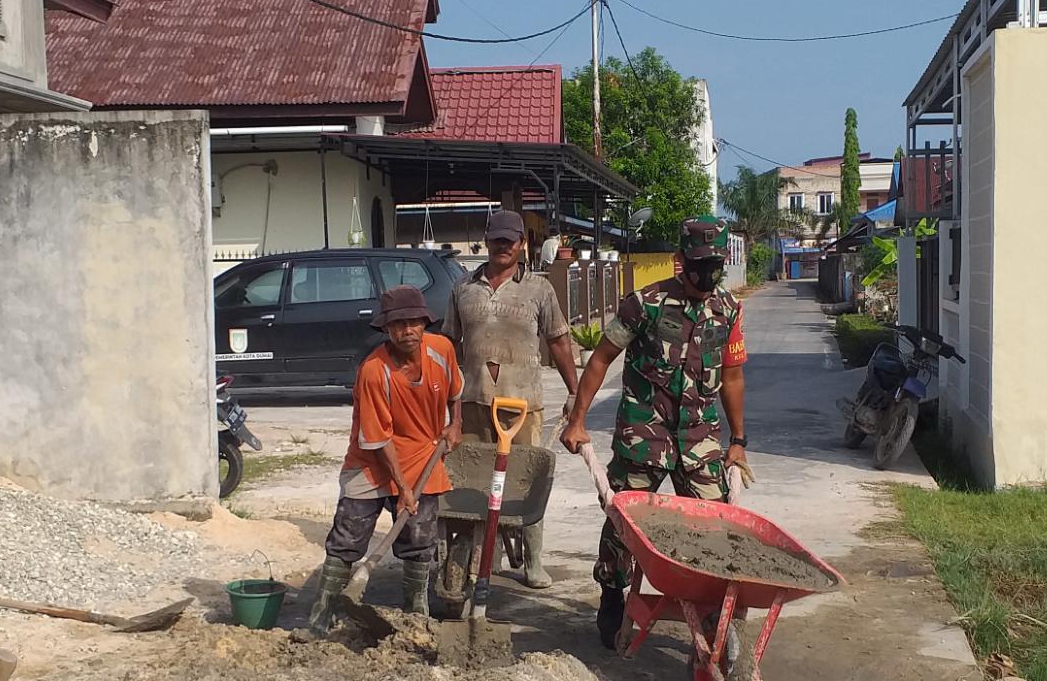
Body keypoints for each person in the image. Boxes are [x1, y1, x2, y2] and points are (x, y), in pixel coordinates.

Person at [560, 215, 749, 648]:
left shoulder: (728, 310)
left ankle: (712, 610)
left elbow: (733, 377)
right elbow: (602, 358)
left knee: (715, 527)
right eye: (700, 264)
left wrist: (738, 442)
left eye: (717, 265)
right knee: (623, 523)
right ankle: (612, 592)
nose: (709, 274)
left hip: (699, 439)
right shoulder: (644, 304)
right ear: (680, 260)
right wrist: (578, 420)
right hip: (643, 435)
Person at [308, 285, 463, 634]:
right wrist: (403, 488)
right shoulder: (373, 371)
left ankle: (416, 616)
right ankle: (323, 615)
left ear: (425, 323)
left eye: (414, 322)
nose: (407, 330)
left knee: (419, 540)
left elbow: (456, 392)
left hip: (424, 456)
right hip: (371, 462)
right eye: (398, 324)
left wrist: (456, 425)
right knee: (347, 538)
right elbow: (380, 441)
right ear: (386, 329)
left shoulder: (442, 350)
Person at [443, 210, 578, 589]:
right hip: (473, 403)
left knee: (524, 484)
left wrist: (575, 392)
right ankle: (476, 554)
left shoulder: (539, 288)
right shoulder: (463, 288)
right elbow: (448, 344)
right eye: (497, 239)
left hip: (523, 407)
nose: (503, 246)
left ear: (523, 244)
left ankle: (533, 561)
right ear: (486, 241)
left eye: (510, 240)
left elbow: (558, 340)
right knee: (471, 484)